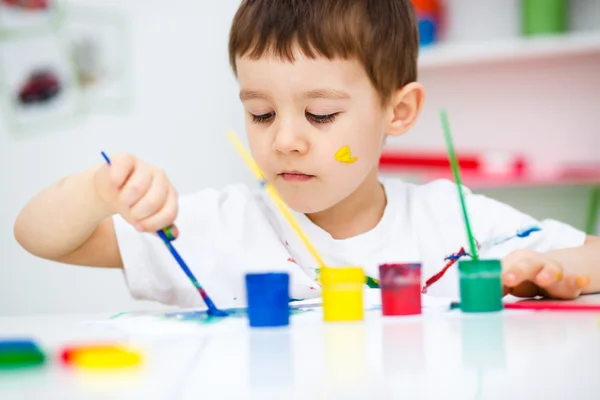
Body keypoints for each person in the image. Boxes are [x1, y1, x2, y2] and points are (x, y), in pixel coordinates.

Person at [14, 0, 600, 309]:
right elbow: (41, 237)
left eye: (320, 115)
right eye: (261, 113)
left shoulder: (453, 221)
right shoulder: (221, 227)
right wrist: (96, 191)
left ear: (398, 112)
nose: (284, 139)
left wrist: (553, 274)